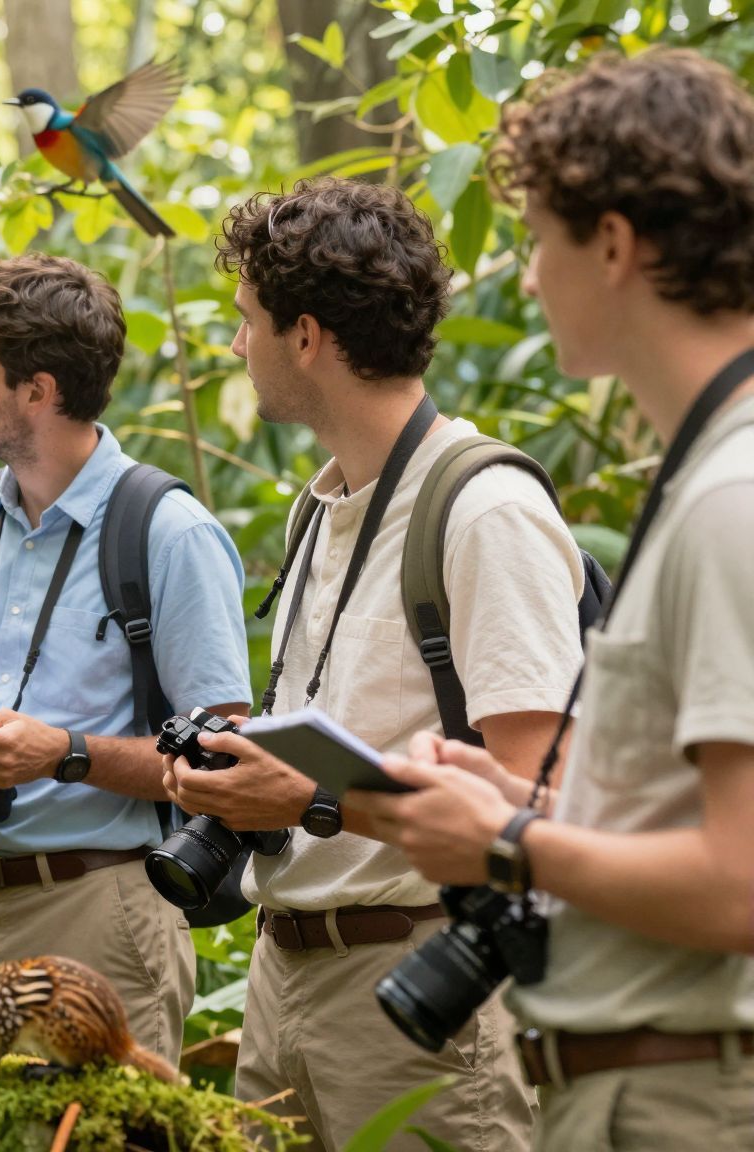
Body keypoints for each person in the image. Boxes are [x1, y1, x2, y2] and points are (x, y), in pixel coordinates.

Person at [344, 48, 754, 1152]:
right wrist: (528, 805)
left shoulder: (730, 499)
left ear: (612, 245)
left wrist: (509, 838)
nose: (527, 276)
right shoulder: (706, 475)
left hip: (679, 1102)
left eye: (536, 241)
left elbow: (741, 883)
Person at [168, 177, 583, 1151]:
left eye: (245, 322)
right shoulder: (321, 507)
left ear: (304, 335)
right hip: (283, 980)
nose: (237, 346)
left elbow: (536, 799)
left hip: (421, 992)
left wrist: (308, 800)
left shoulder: (484, 512)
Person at [0, 254, 252, 1065]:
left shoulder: (168, 532)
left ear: (38, 391)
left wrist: (65, 754)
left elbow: (228, 769)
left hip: (98, 915)